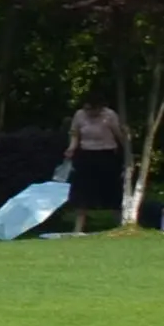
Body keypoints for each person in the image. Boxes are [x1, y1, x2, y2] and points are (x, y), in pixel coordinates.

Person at [63, 92, 129, 235]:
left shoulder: (109, 116)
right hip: (86, 155)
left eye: (92, 109)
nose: (89, 113)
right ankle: (78, 229)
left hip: (106, 155)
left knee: (112, 191)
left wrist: (128, 153)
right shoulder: (79, 115)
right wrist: (71, 148)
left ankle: (120, 224)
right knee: (82, 192)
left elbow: (119, 136)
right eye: (87, 109)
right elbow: (75, 134)